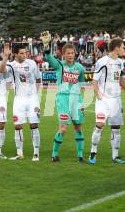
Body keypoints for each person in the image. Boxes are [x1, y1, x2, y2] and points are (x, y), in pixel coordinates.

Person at [40, 31, 86, 162]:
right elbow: (48, 58)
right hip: (63, 99)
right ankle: (54, 154)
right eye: (68, 53)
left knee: (78, 126)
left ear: (75, 53)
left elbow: (81, 84)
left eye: (72, 53)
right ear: (63, 54)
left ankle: (80, 155)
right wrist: (46, 45)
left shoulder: (80, 68)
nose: (70, 55)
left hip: (76, 99)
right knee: (64, 128)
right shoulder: (59, 65)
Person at [88, 38, 125, 164]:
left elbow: (121, 79)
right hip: (104, 100)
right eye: (123, 47)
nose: (124, 49)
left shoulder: (120, 62)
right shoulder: (102, 62)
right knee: (99, 126)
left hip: (116, 100)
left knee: (116, 128)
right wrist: (99, 96)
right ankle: (93, 153)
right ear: (116, 47)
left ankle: (115, 156)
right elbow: (94, 81)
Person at [2, 44, 42, 161]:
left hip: (32, 99)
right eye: (21, 53)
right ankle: (20, 153)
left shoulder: (32, 63)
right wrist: (5, 56)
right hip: (19, 99)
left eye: (25, 53)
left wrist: (35, 93)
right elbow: (2, 70)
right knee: (18, 126)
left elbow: (38, 79)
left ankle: (36, 153)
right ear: (15, 54)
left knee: (33, 125)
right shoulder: (11, 65)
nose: (24, 55)